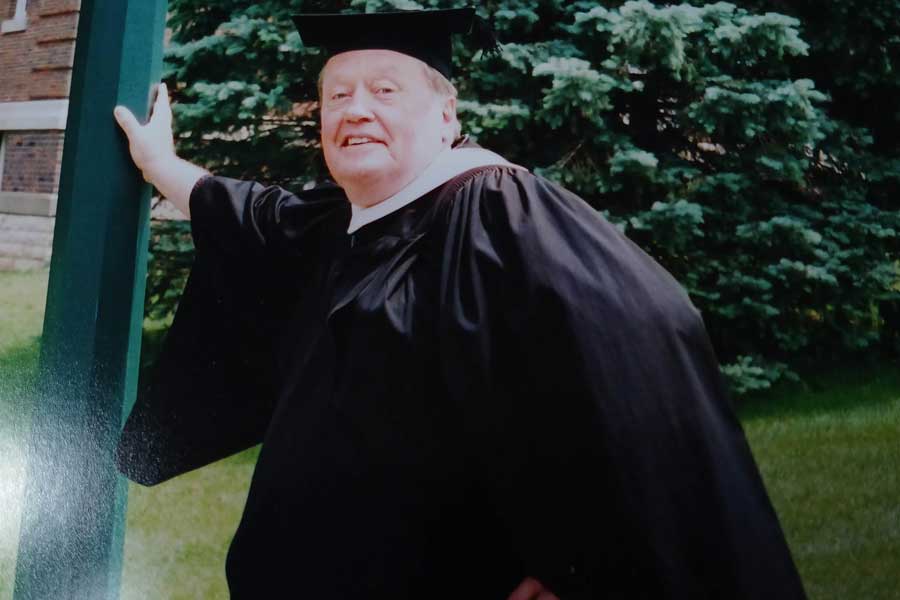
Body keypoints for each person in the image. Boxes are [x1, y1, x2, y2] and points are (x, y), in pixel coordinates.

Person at [113, 7, 807, 599]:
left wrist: (579, 571)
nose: (356, 109)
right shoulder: (346, 222)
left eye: (385, 90)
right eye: (337, 96)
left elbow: (638, 352)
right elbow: (255, 218)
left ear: (446, 114)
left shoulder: (496, 209)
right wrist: (160, 165)